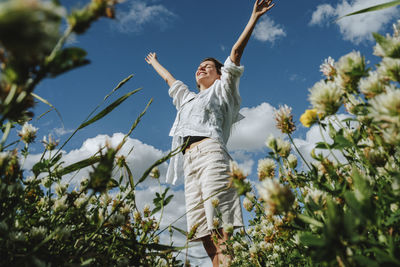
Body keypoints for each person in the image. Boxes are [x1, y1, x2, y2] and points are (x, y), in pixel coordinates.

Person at [145, 1, 275, 265]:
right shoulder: (187, 98)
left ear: (219, 75)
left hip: (211, 154)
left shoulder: (223, 91)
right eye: (199, 66)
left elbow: (236, 54)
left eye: (208, 66)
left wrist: (254, 18)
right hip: (188, 161)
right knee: (203, 233)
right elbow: (170, 81)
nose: (201, 68)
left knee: (221, 228)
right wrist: (154, 62)